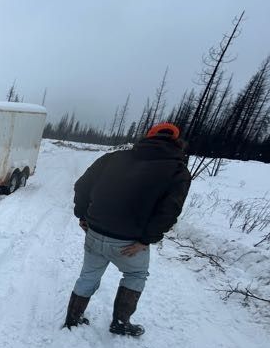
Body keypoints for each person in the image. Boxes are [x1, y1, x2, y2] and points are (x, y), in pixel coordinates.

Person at [64, 122, 191, 336]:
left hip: (95, 232)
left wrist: (82, 215)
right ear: (177, 142)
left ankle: (72, 319)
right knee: (136, 274)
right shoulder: (177, 171)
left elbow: (82, 185)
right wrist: (146, 240)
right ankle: (121, 323)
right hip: (130, 241)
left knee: (88, 276)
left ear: (147, 137)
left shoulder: (113, 158)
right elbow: (169, 211)